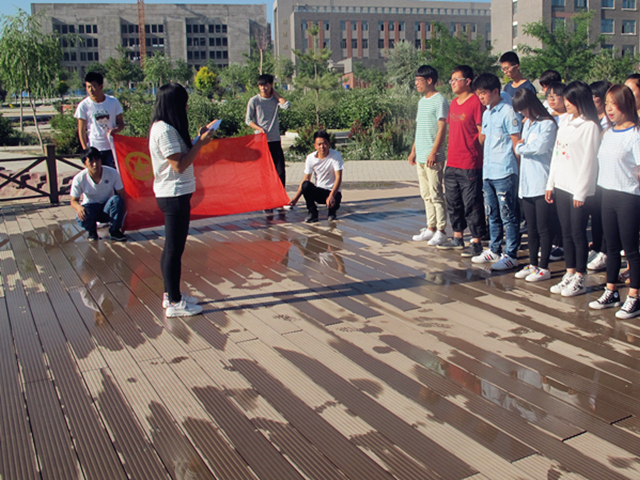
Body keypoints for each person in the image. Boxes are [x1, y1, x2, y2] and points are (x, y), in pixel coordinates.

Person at [149, 83, 216, 317]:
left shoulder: (165, 127)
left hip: (175, 193)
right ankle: (174, 303)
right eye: (184, 102)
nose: (186, 106)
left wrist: (198, 139)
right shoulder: (165, 130)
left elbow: (181, 156)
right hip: (173, 194)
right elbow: (178, 165)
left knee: (172, 248)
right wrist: (201, 144)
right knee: (174, 249)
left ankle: (171, 294)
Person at [545, 81, 602, 297]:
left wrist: (581, 191)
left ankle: (580, 276)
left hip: (579, 190)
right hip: (562, 186)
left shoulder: (590, 127)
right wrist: (550, 183)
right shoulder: (566, 122)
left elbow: (589, 162)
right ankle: (569, 272)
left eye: (570, 100)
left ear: (580, 100)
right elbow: (556, 155)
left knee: (578, 234)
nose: (566, 103)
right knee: (566, 232)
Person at [589, 84, 640, 319]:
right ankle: (611, 291)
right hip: (606, 194)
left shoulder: (636, 134)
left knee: (630, 250)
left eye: (614, 104)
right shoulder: (608, 133)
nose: (609, 109)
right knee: (611, 247)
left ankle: (634, 296)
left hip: (628, 197)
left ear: (626, 104)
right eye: (607, 103)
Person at [471, 73, 521, 270]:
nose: (481, 97)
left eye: (483, 93)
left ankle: (511, 254)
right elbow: (483, 138)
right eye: (478, 94)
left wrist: (518, 170)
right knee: (491, 213)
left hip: (505, 171)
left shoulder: (509, 112)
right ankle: (494, 249)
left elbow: (516, 142)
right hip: (489, 171)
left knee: (508, 214)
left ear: (495, 91)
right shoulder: (487, 113)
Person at [436, 65, 487, 257]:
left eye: (456, 80)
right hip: (452, 162)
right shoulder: (454, 103)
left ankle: (477, 241)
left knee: (472, 203)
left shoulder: (476, 102)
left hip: (470, 163)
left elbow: (482, 131)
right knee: (453, 202)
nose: (453, 83)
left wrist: (478, 152)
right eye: (451, 80)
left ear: (468, 81)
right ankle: (458, 237)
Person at [511, 89, 558, 282]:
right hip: (527, 183)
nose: (523, 113)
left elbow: (539, 148)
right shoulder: (528, 123)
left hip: (542, 181)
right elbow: (524, 148)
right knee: (531, 228)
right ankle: (532, 263)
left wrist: (520, 147)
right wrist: (521, 147)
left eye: (524, 109)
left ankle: (544, 266)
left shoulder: (548, 124)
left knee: (543, 227)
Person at [409, 65, 449, 246]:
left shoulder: (440, 100)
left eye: (419, 80)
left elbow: (442, 128)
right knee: (425, 194)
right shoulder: (421, 101)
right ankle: (430, 227)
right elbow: (419, 128)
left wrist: (434, 151)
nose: (416, 83)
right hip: (421, 155)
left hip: (434, 156)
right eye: (416, 80)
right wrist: (413, 151)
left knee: (436, 193)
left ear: (429, 80)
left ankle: (441, 230)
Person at [70, 147, 126, 242]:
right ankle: (92, 231)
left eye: (97, 160)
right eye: (91, 161)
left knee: (117, 200)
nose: (95, 164)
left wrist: (123, 214)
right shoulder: (79, 178)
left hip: (107, 207)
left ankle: (115, 230)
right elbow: (73, 201)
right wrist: (79, 207)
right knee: (81, 214)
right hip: (91, 207)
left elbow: (121, 193)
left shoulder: (112, 173)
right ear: (85, 164)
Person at [245, 73, 290, 189]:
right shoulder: (254, 100)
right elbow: (248, 120)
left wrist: (276, 94)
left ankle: (281, 195)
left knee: (280, 170)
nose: (263, 88)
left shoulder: (275, 100)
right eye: (261, 85)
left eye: (265, 85)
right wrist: (258, 128)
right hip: (261, 140)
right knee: (264, 170)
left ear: (271, 85)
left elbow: (286, 105)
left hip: (275, 139)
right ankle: (266, 195)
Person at [585, 80, 612, 272]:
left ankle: (605, 251)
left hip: (607, 175)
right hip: (593, 175)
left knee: (605, 215)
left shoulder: (610, 123)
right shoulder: (591, 121)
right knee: (595, 213)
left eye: (594, 98)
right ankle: (596, 246)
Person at [289, 130, 344, 222]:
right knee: (306, 185)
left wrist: (331, 195)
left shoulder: (335, 156)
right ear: (315, 146)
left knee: (335, 200)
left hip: (333, 192)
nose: (322, 147)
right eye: (319, 144)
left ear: (329, 144)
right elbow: (306, 178)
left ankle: (332, 212)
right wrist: (296, 198)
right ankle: (312, 213)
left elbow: (338, 177)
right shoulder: (310, 158)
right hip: (319, 191)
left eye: (324, 143)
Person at [74, 71, 125, 169]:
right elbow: (81, 130)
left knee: (112, 174)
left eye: (93, 86)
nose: (90, 90)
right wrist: (85, 150)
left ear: (101, 86)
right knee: (98, 174)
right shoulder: (83, 105)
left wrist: (115, 130)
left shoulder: (113, 102)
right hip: (95, 147)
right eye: (88, 87)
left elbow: (121, 124)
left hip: (112, 147)